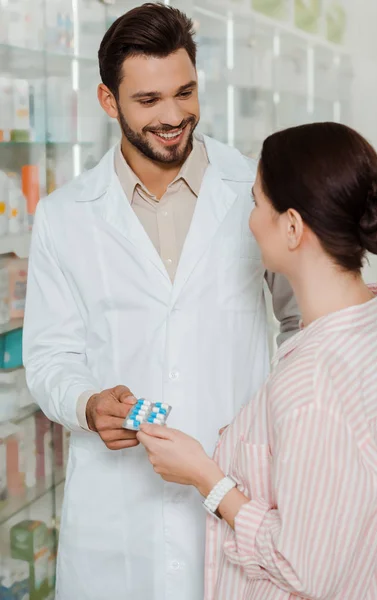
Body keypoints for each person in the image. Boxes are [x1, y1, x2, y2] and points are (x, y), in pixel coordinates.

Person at [22, 4, 299, 600]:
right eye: (148, 101)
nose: (174, 117)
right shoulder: (65, 216)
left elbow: (301, 324)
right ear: (107, 100)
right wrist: (87, 401)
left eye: (185, 92)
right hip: (116, 514)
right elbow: (48, 356)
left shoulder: (254, 190)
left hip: (235, 492)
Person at [138, 122, 377, 600]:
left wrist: (205, 477)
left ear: (293, 227)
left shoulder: (312, 386)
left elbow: (302, 568)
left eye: (257, 202)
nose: (250, 219)